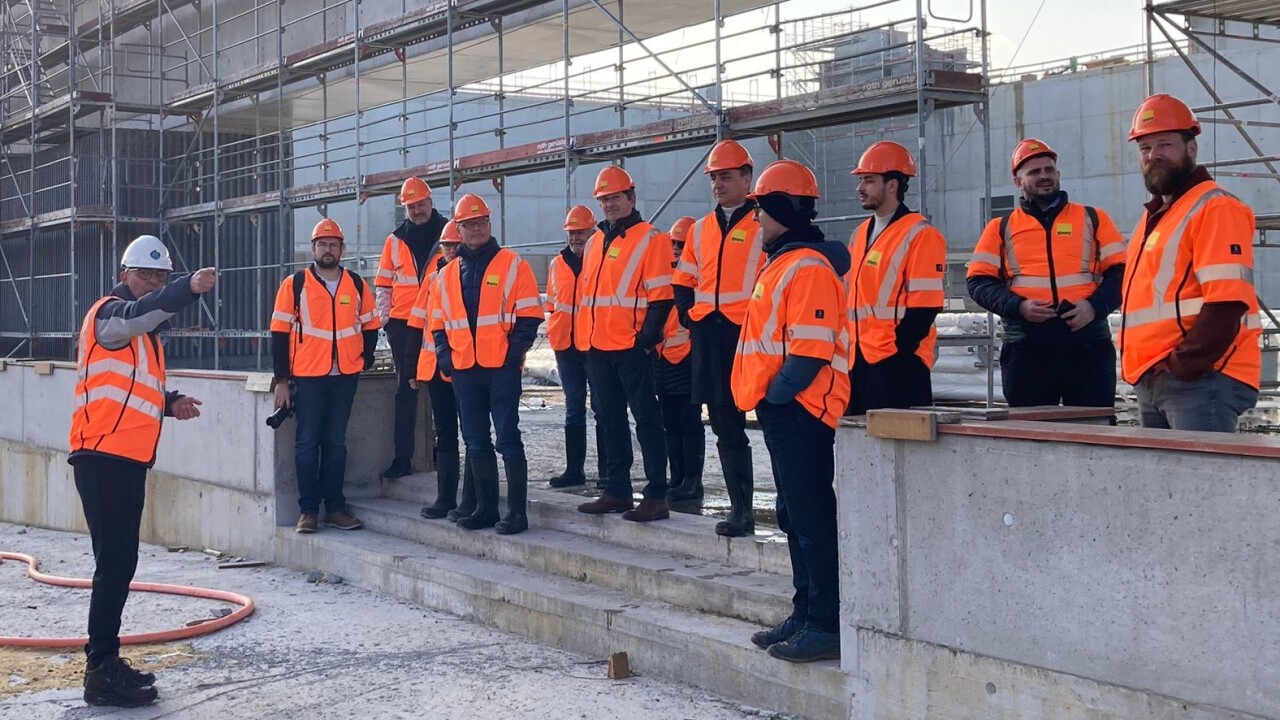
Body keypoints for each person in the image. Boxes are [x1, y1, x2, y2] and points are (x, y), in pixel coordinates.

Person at [68, 234, 216, 707]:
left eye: (160, 276)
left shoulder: (143, 339)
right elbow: (141, 314)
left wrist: (170, 403)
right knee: (113, 564)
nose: (152, 283)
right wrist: (187, 289)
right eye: (145, 274)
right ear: (123, 274)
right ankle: (100, 671)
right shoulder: (111, 315)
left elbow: (137, 390)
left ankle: (105, 660)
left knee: (120, 563)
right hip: (102, 456)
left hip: (125, 459)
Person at [731, 160, 850, 663]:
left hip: (802, 409)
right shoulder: (782, 263)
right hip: (783, 409)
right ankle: (805, 613)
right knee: (792, 514)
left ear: (782, 210)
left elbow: (811, 349)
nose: (755, 220)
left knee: (811, 516)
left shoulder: (808, 267)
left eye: (761, 210)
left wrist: (778, 395)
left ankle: (826, 623)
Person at [1120, 93, 1260, 431]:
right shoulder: (1154, 217)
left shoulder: (1215, 207)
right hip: (1154, 378)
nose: (1154, 156)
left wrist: (1184, 366)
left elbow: (1227, 301)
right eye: (1145, 149)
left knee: (1204, 483)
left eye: (1165, 145)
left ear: (1191, 149)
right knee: (1166, 483)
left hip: (1198, 380)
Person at [967, 138, 1126, 409]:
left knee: (1095, 432)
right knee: (1033, 437)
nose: (1044, 176)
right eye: (1034, 172)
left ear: (1058, 175)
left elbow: (1123, 273)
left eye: (1049, 170)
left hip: (1087, 346)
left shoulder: (1093, 218)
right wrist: (1019, 306)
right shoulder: (1000, 228)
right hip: (1027, 350)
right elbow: (978, 282)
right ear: (1018, 181)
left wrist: (1094, 307)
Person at [429, 194, 543, 533]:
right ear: (459, 230)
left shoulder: (513, 265)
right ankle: (487, 509)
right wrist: (446, 359)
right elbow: (437, 323)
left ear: (490, 225)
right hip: (464, 370)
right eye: (468, 225)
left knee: (508, 438)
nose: (475, 230)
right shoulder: (447, 275)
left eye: (480, 223)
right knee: (475, 440)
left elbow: (530, 316)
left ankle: (517, 514)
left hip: (500, 370)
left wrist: (511, 356)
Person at [671, 139, 763, 534]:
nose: (718, 184)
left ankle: (787, 509)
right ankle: (740, 510)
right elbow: (683, 280)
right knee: (725, 424)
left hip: (752, 335)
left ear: (747, 178)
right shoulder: (700, 230)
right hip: (711, 335)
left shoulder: (763, 224)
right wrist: (692, 319)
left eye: (726, 176)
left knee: (772, 421)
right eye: (714, 178)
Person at [574, 165, 675, 522]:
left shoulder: (651, 239)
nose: (609, 205)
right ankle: (616, 490)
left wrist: (643, 343)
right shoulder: (597, 241)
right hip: (598, 346)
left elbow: (662, 297)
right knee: (609, 420)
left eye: (615, 198)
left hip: (630, 348)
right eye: (604, 200)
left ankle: (656, 494)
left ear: (631, 198)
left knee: (647, 418)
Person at [270, 218, 380, 533]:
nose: (327, 249)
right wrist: (282, 380)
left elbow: (371, 324)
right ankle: (308, 511)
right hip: (307, 376)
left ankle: (335, 508)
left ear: (341, 249)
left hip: (344, 375)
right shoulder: (295, 284)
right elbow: (279, 333)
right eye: (322, 244)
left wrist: (364, 359)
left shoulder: (356, 284)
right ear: (314, 248)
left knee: (336, 443)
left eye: (333, 244)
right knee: (307, 443)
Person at [845, 141, 946, 414]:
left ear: (892, 185)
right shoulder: (859, 234)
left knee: (904, 450)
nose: (860, 188)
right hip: (859, 359)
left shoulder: (920, 234)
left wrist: (900, 351)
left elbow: (926, 305)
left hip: (898, 364)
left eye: (869, 180)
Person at [376, 177, 447, 479]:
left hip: (440, 322)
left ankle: (442, 453)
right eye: (411, 206)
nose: (417, 210)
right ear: (404, 208)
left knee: (443, 387)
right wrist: (387, 321)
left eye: (420, 204)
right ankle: (403, 457)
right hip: (404, 326)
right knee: (406, 390)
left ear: (430, 202)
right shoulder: (394, 241)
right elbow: (382, 284)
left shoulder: (449, 233)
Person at [405, 220, 474, 519]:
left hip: (465, 368)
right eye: (447, 246)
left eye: (456, 246)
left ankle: (471, 500)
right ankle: (445, 498)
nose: (452, 251)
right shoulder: (433, 280)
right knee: (445, 435)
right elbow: (416, 323)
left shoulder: (473, 278)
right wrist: (410, 368)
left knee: (473, 435)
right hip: (436, 369)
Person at [545, 204, 608, 488]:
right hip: (565, 347)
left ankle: (608, 471)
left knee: (602, 406)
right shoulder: (557, 264)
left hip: (592, 344)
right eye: (572, 233)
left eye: (581, 232)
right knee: (573, 407)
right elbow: (552, 303)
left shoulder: (600, 260)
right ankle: (575, 470)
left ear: (593, 231)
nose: (575, 238)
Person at [656, 216, 705, 502]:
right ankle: (677, 477)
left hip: (686, 358)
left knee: (689, 421)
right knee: (670, 421)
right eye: (673, 243)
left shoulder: (696, 278)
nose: (676, 249)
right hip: (664, 358)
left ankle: (691, 481)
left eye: (681, 244)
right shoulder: (667, 273)